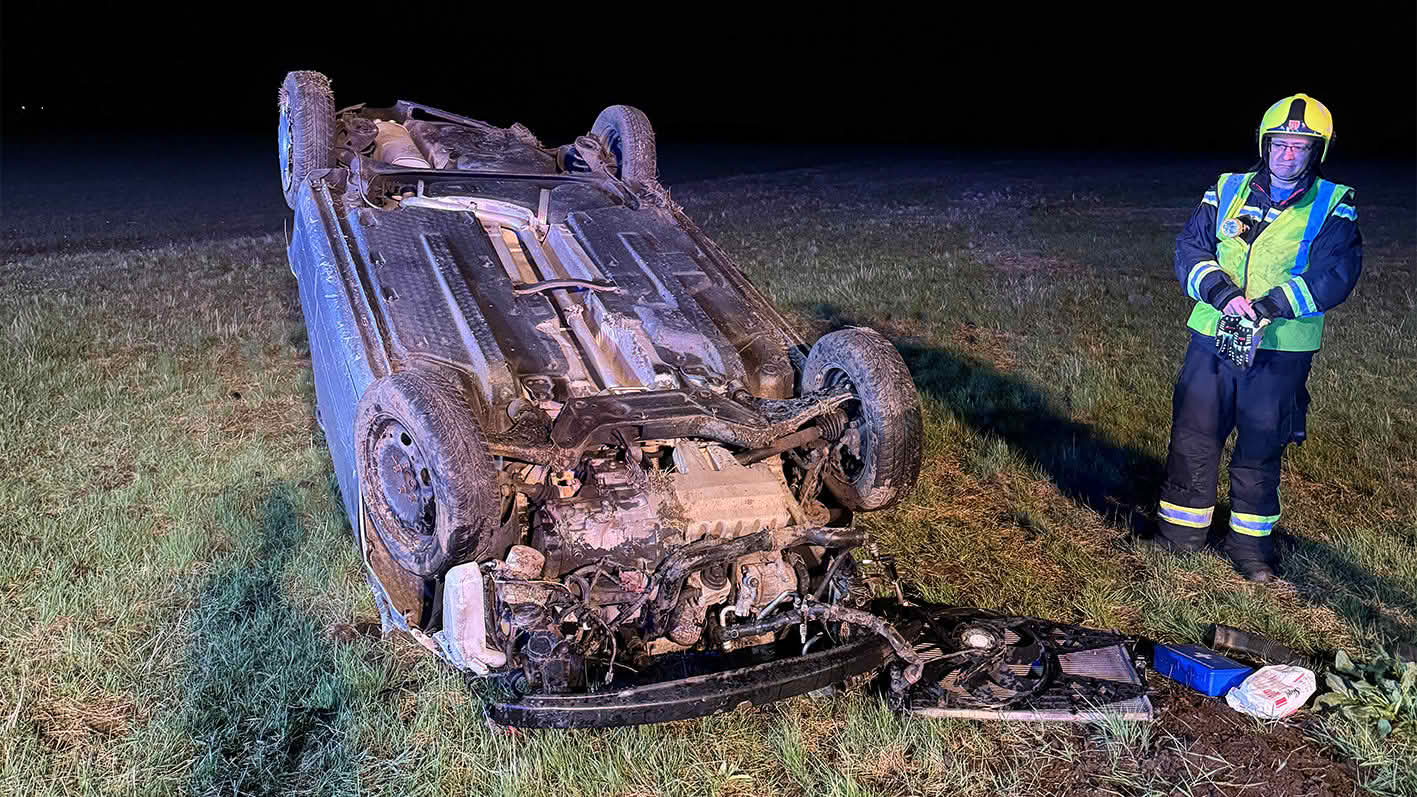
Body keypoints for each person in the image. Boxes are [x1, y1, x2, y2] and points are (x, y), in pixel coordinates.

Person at [1154, 93, 1362, 582]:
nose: (1287, 155)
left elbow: (1336, 273)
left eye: (1300, 147)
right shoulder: (1227, 188)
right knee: (1193, 437)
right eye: (1279, 144)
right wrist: (1224, 295)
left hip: (1280, 348)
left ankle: (1250, 550)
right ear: (1264, 144)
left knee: (1261, 446)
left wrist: (1270, 307)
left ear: (1317, 152)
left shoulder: (1334, 203)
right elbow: (1190, 249)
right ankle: (1179, 539)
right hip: (1213, 337)